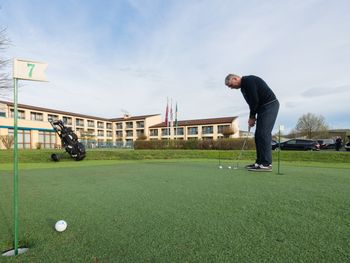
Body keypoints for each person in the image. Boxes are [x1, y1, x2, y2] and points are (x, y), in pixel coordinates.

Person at [225, 74, 279, 172]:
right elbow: (252, 104)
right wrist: (252, 117)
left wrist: (252, 117)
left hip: (270, 105)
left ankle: (266, 164)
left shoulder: (248, 80)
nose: (231, 88)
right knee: (258, 135)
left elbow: (254, 100)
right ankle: (259, 162)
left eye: (231, 85)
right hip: (262, 109)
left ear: (235, 78)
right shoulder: (243, 88)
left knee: (263, 134)